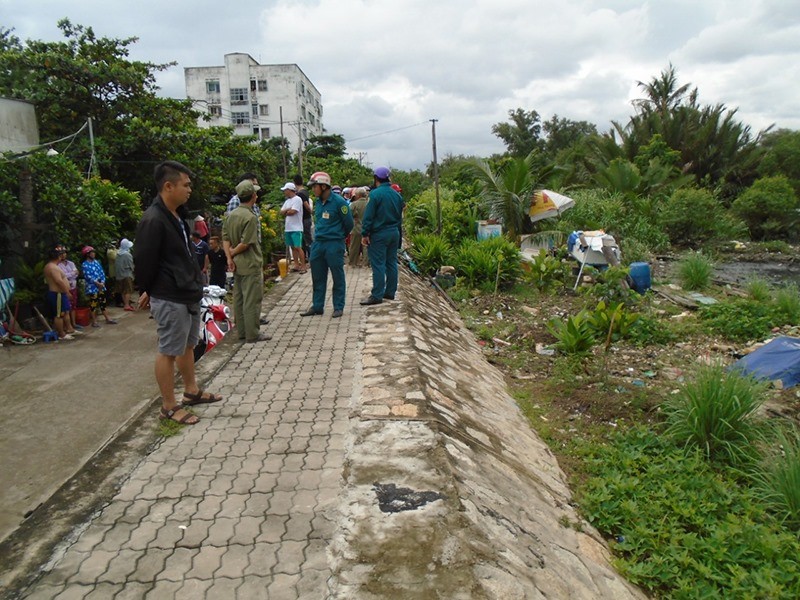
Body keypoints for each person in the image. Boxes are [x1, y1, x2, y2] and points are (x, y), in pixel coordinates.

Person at [134, 160, 223, 425]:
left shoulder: (178, 216)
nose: (189, 190)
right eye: (185, 185)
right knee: (168, 349)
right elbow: (144, 259)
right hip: (169, 294)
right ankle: (168, 406)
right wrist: (148, 289)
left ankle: (191, 391)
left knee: (188, 344)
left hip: (187, 291)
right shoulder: (153, 219)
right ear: (168, 186)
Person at [223, 179, 271, 343]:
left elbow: (225, 238)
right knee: (252, 299)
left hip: (236, 264)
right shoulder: (250, 217)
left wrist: (230, 257)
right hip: (250, 263)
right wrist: (234, 251)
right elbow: (247, 242)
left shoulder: (231, 215)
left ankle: (241, 332)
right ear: (253, 196)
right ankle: (253, 334)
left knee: (239, 298)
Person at [300, 171, 353, 318]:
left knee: (337, 276)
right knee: (317, 276)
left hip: (334, 244)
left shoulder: (339, 202)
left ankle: (338, 306)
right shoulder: (318, 202)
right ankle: (317, 306)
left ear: (323, 186)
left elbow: (349, 223)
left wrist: (339, 236)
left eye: (314, 186)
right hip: (318, 243)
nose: (313, 190)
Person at [360, 166, 404, 305]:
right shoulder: (396, 195)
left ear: (376, 178)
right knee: (391, 262)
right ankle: (390, 292)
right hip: (394, 232)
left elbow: (369, 216)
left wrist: (365, 233)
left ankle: (377, 295)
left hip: (379, 234)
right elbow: (400, 214)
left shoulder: (375, 194)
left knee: (378, 264)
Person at [43, 246, 77, 340]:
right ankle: (61, 334)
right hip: (57, 293)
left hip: (59, 294)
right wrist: (67, 292)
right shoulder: (52, 267)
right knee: (59, 315)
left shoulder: (52, 266)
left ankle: (68, 329)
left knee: (64, 312)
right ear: (57, 256)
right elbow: (58, 281)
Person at [81, 246, 118, 326]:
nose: (93, 254)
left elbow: (102, 273)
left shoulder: (96, 262)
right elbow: (88, 276)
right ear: (87, 254)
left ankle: (107, 318)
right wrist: (97, 283)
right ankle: (94, 321)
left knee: (103, 303)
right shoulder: (85, 265)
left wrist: (102, 282)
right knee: (93, 304)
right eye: (92, 252)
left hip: (100, 286)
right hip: (92, 287)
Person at [279, 182, 307, 273]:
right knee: (292, 247)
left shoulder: (297, 199)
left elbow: (293, 211)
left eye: (285, 190)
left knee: (298, 247)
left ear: (289, 190)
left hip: (296, 228)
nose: (284, 192)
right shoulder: (287, 201)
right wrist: (288, 209)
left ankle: (303, 266)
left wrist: (287, 211)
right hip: (288, 228)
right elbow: (281, 212)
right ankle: (296, 264)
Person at [57, 245, 82, 331]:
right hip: (64, 289)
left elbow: (77, 273)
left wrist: (70, 275)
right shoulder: (57, 265)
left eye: (64, 253)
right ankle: (66, 326)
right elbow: (63, 276)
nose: (63, 255)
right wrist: (71, 274)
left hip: (73, 286)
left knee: (73, 305)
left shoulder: (71, 263)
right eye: (61, 253)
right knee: (65, 308)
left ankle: (74, 323)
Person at [294, 174, 313, 261]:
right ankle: (307, 257)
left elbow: (306, 205)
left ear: (294, 183)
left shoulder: (300, 194)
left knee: (307, 239)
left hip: (304, 219)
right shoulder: (305, 191)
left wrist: (310, 211)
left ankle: (312, 256)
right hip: (306, 219)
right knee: (305, 239)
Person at [348, 187, 369, 267]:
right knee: (366, 247)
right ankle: (365, 263)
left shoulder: (353, 204)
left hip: (356, 228)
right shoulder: (369, 204)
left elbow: (349, 216)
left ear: (358, 195)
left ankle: (353, 263)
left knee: (354, 247)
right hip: (367, 228)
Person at [115, 238, 136, 311]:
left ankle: (125, 304)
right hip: (127, 274)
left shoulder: (118, 253)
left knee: (123, 291)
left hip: (119, 275)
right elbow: (131, 265)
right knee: (128, 290)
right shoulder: (127, 254)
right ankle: (127, 305)